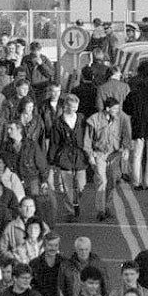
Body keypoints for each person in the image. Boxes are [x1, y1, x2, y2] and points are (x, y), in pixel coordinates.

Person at [84, 98, 133, 220]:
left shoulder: (122, 118)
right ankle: (100, 210)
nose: (118, 110)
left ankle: (107, 206)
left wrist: (126, 149)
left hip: (114, 154)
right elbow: (87, 140)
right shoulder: (94, 120)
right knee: (102, 181)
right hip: (99, 153)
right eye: (115, 108)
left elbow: (126, 135)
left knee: (111, 181)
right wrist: (90, 156)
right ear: (107, 109)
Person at [50, 95, 89, 223]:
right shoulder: (58, 122)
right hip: (65, 155)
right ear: (65, 106)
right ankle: (70, 211)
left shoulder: (82, 119)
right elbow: (54, 142)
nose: (73, 109)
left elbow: (88, 135)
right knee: (67, 186)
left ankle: (75, 201)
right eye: (71, 107)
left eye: (75, 107)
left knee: (81, 184)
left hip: (79, 155)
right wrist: (52, 160)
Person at [124, 61, 148, 191]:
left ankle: (137, 182)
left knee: (136, 156)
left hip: (137, 127)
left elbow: (126, 109)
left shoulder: (133, 94)